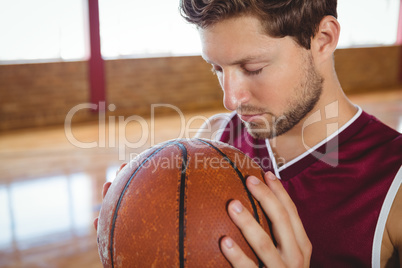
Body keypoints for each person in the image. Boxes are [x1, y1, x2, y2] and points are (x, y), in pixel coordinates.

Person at [94, 0, 402, 267]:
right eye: (217, 68)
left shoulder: (394, 183)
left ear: (323, 39)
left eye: (252, 67)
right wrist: (130, 241)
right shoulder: (215, 136)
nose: (231, 99)